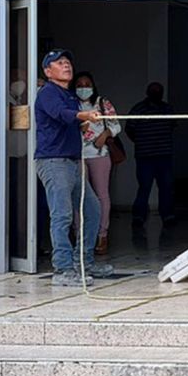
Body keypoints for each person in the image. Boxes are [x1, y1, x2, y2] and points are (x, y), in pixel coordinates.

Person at [35, 49, 114, 286]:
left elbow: (67, 120)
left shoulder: (68, 95)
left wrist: (82, 121)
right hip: (54, 161)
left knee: (92, 210)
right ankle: (63, 270)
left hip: (72, 161)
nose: (66, 65)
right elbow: (61, 114)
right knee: (62, 215)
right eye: (59, 63)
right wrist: (83, 115)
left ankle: (84, 263)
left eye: (68, 62)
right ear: (48, 71)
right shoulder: (48, 93)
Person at [73, 72, 122, 255]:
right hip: (76, 155)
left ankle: (102, 235)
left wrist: (105, 134)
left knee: (102, 195)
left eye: (87, 84)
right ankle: (79, 235)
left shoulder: (102, 103)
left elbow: (116, 125)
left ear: (93, 86)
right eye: (79, 85)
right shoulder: (70, 103)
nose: (83, 88)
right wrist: (78, 128)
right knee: (78, 195)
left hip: (99, 154)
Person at [125, 82, 177, 228]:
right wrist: (142, 142)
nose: (156, 94)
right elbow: (129, 129)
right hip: (145, 157)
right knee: (144, 187)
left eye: (158, 91)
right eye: (153, 91)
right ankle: (138, 216)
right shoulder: (138, 109)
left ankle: (167, 216)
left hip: (164, 155)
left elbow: (172, 126)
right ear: (147, 93)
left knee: (166, 187)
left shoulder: (167, 109)